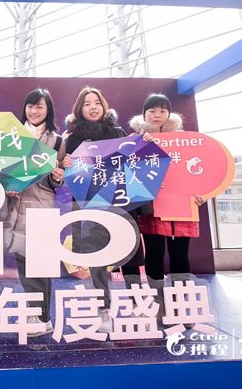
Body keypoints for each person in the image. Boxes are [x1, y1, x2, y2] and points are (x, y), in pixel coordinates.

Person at [62, 85, 146, 333]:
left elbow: (133, 163)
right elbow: (68, 175)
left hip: (120, 202)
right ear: (80, 109)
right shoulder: (72, 138)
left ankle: (138, 303)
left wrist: (144, 143)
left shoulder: (117, 132)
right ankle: (104, 308)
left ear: (104, 106)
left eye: (97, 102)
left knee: (130, 255)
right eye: (87, 103)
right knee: (97, 259)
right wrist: (65, 162)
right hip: (90, 205)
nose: (93, 107)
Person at [0, 89, 65, 337]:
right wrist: (7, 187)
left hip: (41, 206)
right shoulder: (11, 137)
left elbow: (58, 180)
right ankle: (37, 312)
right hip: (15, 206)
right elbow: (1, 171)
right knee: (23, 262)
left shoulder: (58, 141)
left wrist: (57, 177)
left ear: (48, 110)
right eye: (30, 106)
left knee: (40, 263)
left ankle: (42, 316)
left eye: (39, 106)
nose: (34, 111)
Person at [129, 93, 205, 291]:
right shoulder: (134, 140)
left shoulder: (184, 140)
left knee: (180, 254)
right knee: (154, 254)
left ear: (169, 114)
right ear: (144, 114)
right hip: (152, 207)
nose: (157, 115)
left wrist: (202, 193)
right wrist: (140, 146)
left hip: (182, 208)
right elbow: (127, 173)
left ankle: (181, 299)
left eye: (162, 111)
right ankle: (157, 297)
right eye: (152, 111)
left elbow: (200, 170)